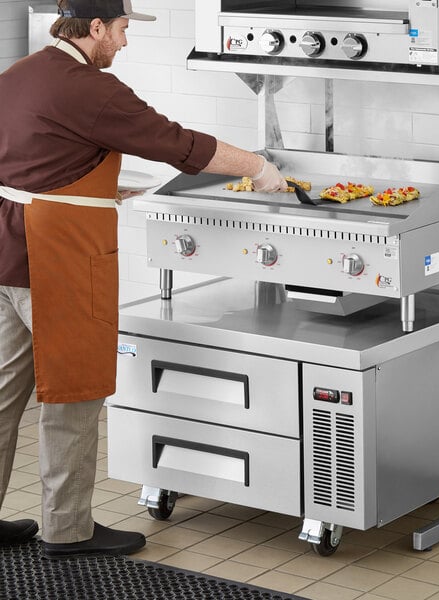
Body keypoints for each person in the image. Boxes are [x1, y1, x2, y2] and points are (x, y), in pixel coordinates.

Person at [0, 0, 288, 559]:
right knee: (74, 394)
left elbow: (35, 158)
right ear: (98, 26)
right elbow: (177, 143)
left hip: (6, 251)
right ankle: (69, 530)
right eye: (125, 30)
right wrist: (258, 166)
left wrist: (90, 189)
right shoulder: (89, 89)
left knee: (1, 394)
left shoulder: (21, 73)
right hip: (59, 259)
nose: (126, 44)